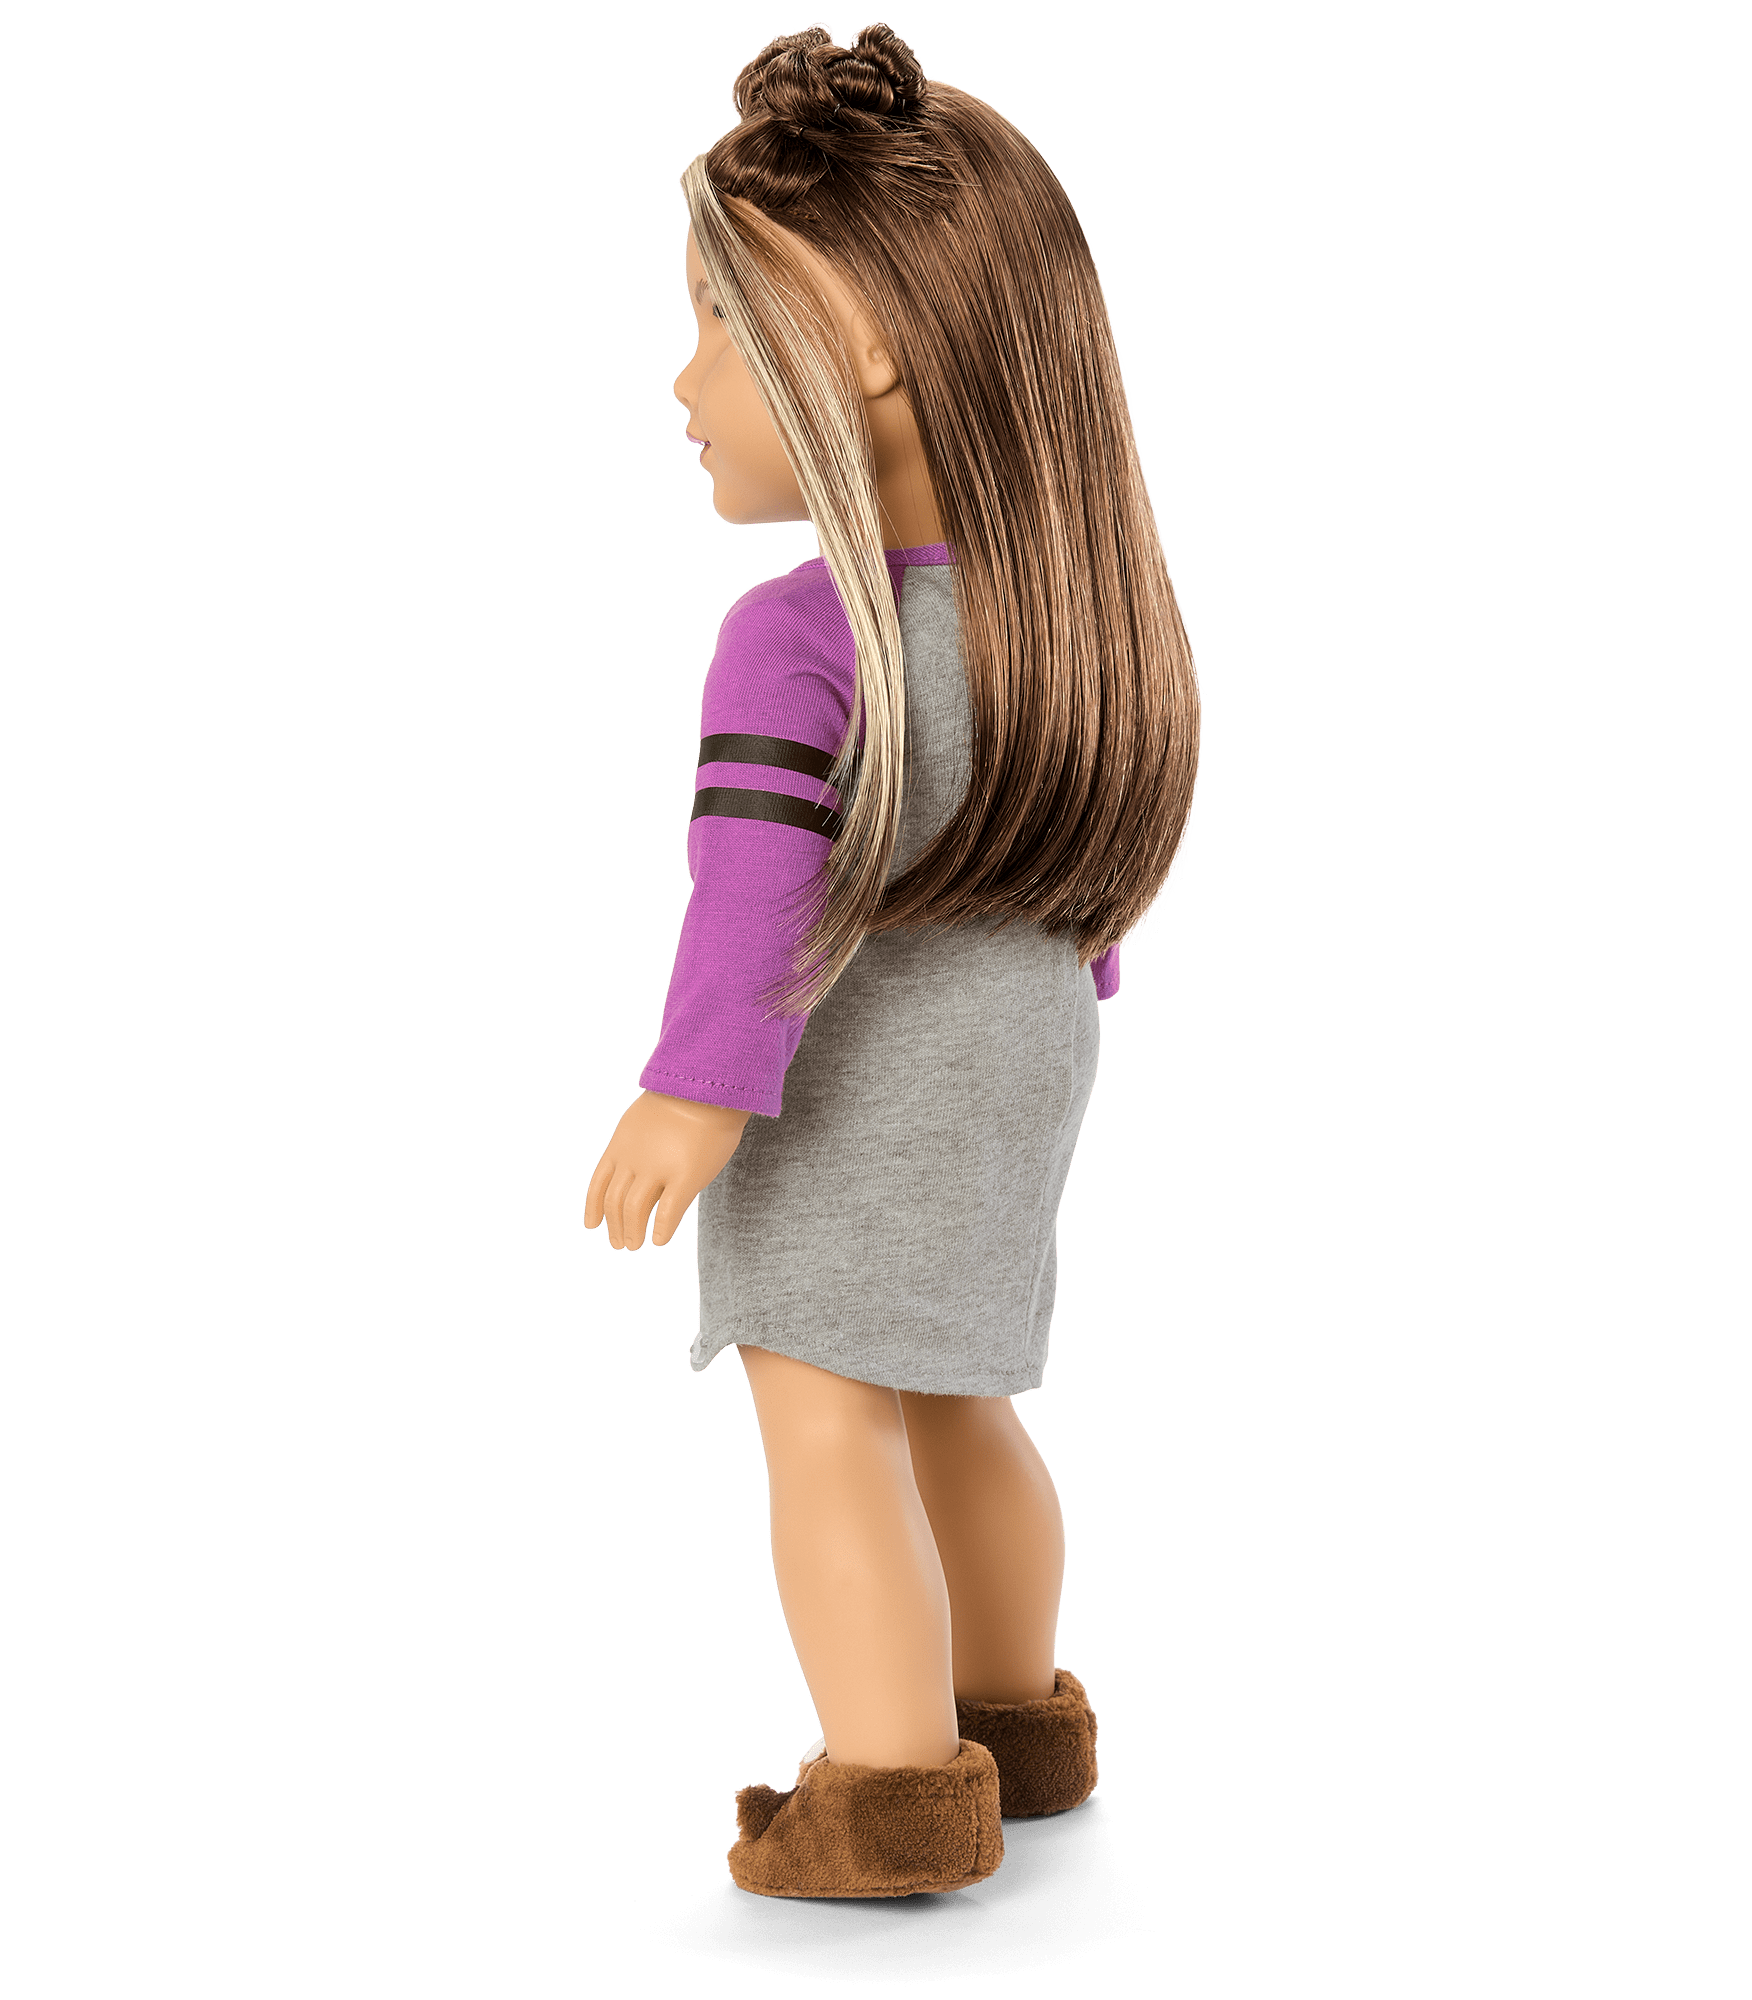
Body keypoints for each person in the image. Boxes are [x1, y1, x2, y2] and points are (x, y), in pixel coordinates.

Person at [582, 20, 1201, 1899]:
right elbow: (1097, 886)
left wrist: (694, 1092)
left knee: (824, 1409)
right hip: (1028, 1049)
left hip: (853, 1065)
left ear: (855, 339)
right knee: (962, 1392)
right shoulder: (1081, 626)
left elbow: (750, 894)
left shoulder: (799, 635)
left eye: (720, 321)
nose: (685, 376)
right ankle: (1023, 1735)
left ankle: (891, 1795)